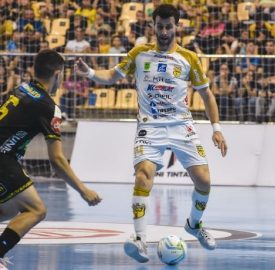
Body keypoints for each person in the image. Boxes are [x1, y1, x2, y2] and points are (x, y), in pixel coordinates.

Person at [75, 4, 227, 263]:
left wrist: (217, 129)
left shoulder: (189, 58)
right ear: (153, 26)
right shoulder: (139, 53)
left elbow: (206, 95)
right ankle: (140, 238)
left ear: (177, 26)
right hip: (150, 127)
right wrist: (89, 73)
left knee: (204, 181)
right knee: (143, 177)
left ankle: (194, 224)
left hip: (182, 126)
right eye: (160, 26)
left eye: (169, 26)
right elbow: (112, 76)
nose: (165, 31)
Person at [0, 50, 102, 269]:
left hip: (4, 156)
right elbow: (56, 159)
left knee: (9, 209)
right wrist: (83, 190)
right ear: (57, 74)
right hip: (3, 158)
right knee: (36, 210)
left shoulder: (22, 88)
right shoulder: (48, 106)